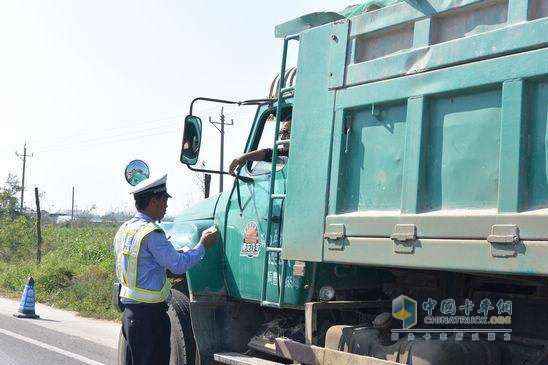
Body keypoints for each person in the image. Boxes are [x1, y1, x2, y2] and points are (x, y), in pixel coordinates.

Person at [113, 174, 217, 365]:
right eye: (164, 200)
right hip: (149, 317)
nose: (166, 205)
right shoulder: (152, 233)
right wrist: (202, 245)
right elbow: (177, 265)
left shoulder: (125, 229)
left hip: (131, 313)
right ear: (154, 201)